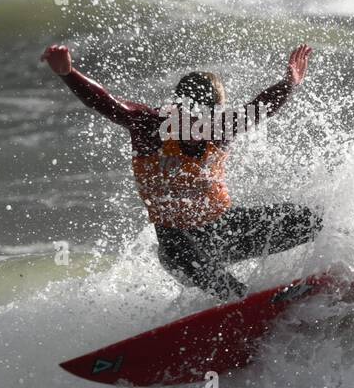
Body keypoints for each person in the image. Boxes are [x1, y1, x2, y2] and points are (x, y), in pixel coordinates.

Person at [40, 42, 322, 299]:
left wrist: (289, 83)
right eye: (189, 115)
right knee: (198, 268)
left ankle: (344, 258)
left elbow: (261, 107)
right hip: (179, 247)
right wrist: (69, 73)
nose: (198, 126)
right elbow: (107, 103)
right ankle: (241, 300)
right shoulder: (149, 126)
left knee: (309, 220)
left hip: (225, 231)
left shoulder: (222, 128)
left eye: (206, 118)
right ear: (175, 107)